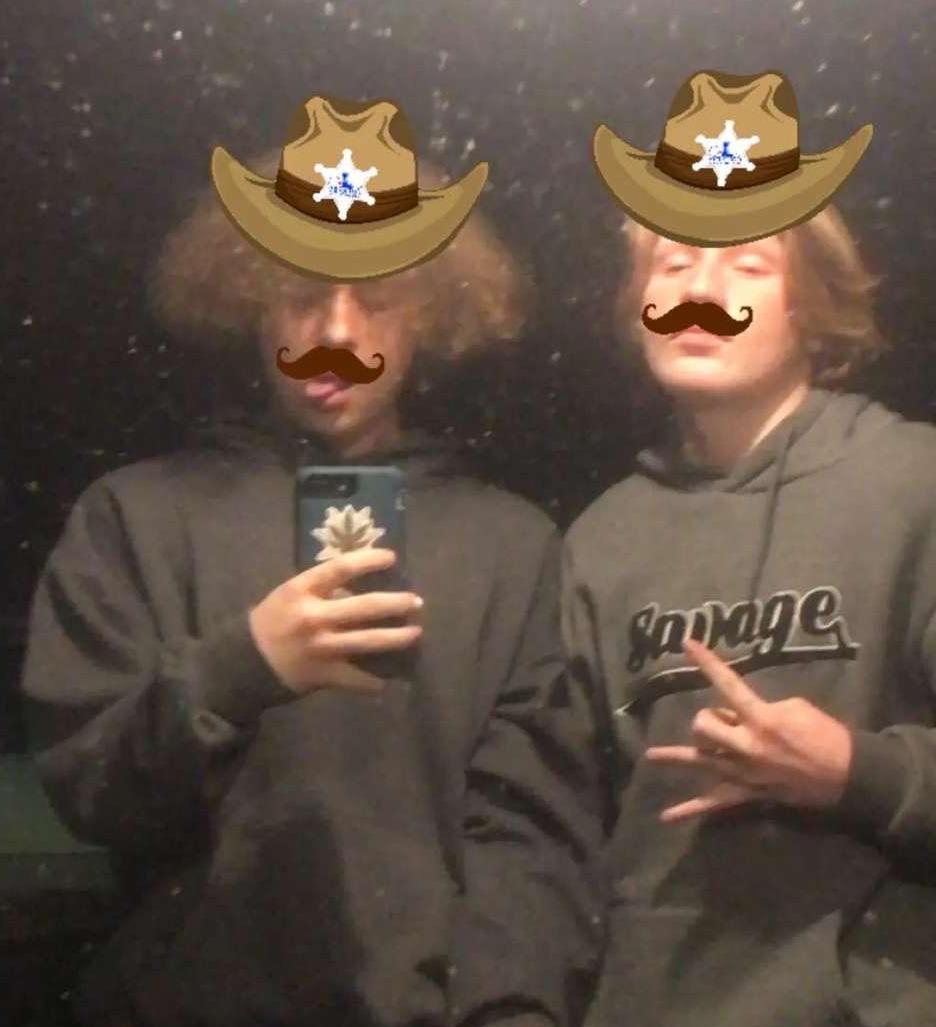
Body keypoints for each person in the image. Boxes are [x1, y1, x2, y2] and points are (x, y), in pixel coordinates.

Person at [18, 134, 605, 1027]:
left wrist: (516, 1011)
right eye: (301, 295)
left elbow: (532, 837)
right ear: (249, 301)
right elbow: (91, 793)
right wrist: (237, 671)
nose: (336, 332)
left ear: (428, 317)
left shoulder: (511, 546)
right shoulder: (134, 517)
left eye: (377, 299)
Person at [562, 198, 936, 1027]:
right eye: (673, 264)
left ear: (812, 306)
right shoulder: (599, 540)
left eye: (748, 265)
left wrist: (858, 772)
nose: (701, 292)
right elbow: (553, 831)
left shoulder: (916, 487)